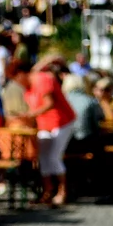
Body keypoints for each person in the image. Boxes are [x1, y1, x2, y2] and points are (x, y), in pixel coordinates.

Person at [25, 57, 77, 205]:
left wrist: (31, 115)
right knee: (43, 158)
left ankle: (62, 191)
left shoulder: (40, 79)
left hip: (61, 121)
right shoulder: (29, 83)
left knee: (54, 157)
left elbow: (49, 103)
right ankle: (48, 190)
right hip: (45, 123)